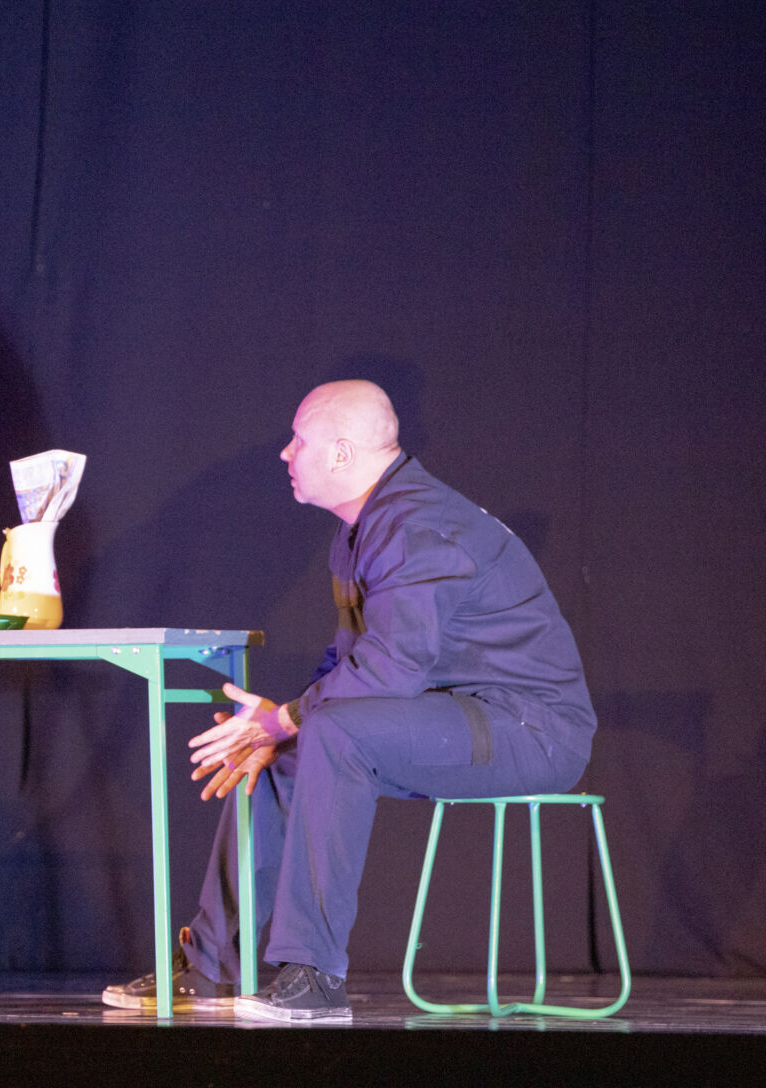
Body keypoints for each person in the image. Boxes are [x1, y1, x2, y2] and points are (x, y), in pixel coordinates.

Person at [102, 380, 595, 1022]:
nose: (286, 453)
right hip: (459, 713)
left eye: (298, 440)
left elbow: (390, 669)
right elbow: (350, 660)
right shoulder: (366, 526)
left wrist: (287, 717)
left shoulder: (416, 525)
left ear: (340, 453)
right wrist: (278, 728)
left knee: (328, 734)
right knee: (282, 752)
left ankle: (316, 978)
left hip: (530, 731)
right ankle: (214, 966)